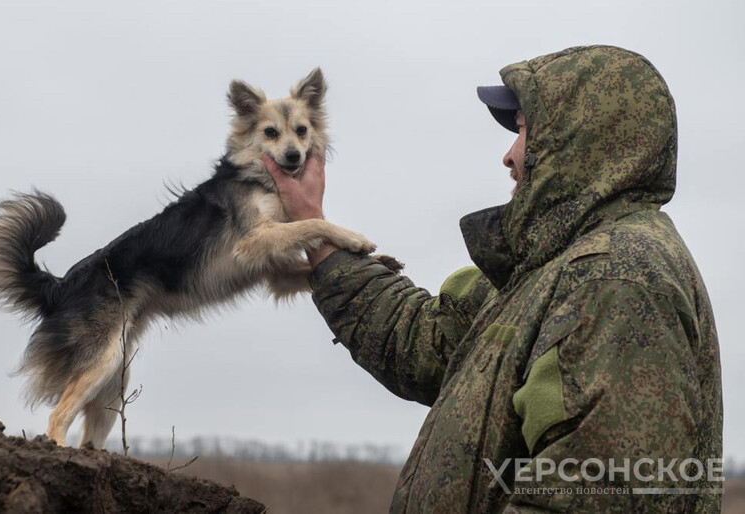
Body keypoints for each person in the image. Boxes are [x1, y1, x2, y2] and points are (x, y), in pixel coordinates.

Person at [262, 45, 722, 513]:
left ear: (577, 144)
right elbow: (421, 342)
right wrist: (314, 228)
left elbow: (594, 494)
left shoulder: (617, 279)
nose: (509, 156)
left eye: (523, 131)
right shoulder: (549, 268)